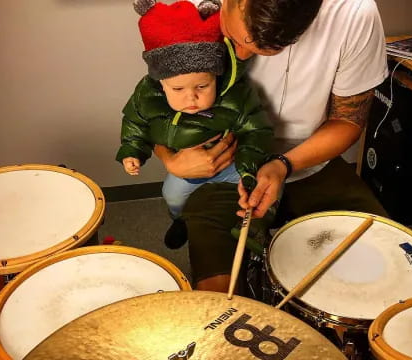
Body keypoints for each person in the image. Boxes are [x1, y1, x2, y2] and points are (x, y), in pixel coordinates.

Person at [154, 0, 390, 292]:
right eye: (238, 40)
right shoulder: (189, 9)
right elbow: (151, 104)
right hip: (226, 162)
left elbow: (348, 121)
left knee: (385, 257)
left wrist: (282, 164)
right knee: (216, 296)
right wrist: (170, 159)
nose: (239, 56)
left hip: (309, 159)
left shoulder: (355, 12)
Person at [116, 0, 273, 249]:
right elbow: (135, 123)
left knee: (259, 195)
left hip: (232, 164)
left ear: (216, 77)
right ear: (161, 83)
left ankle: (252, 230)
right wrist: (132, 152)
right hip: (185, 168)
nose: (191, 98)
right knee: (172, 195)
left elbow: (257, 130)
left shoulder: (235, 93)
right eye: (177, 89)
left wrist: (248, 167)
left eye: (202, 86)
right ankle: (181, 221)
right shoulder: (147, 94)